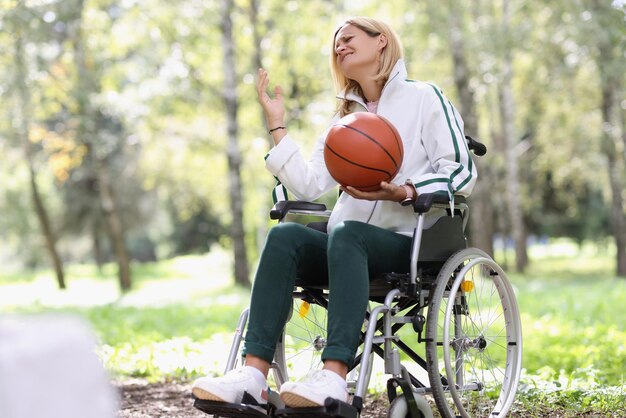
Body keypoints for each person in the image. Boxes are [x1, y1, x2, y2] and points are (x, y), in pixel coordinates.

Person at [192, 16, 476, 409]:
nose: (339, 47)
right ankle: (253, 376)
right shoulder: (345, 120)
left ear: (381, 42)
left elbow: (461, 170)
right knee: (285, 236)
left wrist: (406, 191)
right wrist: (277, 126)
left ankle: (334, 378)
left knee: (347, 234)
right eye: (336, 44)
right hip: (346, 244)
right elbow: (309, 184)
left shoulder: (425, 98)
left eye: (348, 38)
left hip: (408, 243)